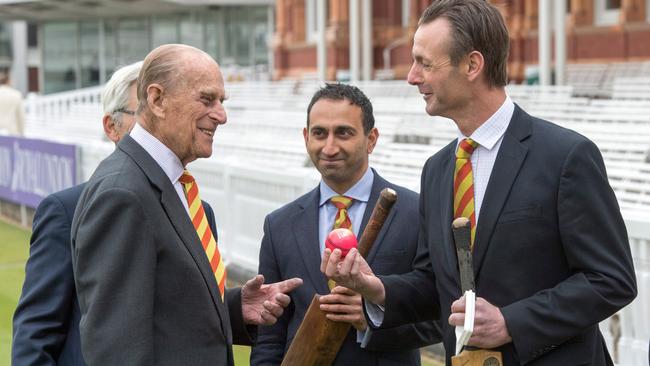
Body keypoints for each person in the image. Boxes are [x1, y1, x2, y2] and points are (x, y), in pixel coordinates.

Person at [321, 1, 637, 365]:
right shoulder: (437, 169)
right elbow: (434, 285)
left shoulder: (566, 156)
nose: (411, 76)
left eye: (425, 63)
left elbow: (611, 279)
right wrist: (376, 289)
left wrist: (511, 323)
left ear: (472, 65)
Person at [70, 44, 302, 366]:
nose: (221, 115)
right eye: (207, 100)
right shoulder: (123, 195)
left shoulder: (168, 182)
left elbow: (168, 309)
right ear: (157, 100)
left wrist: (234, 308)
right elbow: (117, 350)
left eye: (222, 102)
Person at [250, 83, 440, 365]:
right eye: (319, 133)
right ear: (306, 138)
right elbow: (269, 336)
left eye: (343, 133)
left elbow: (438, 317)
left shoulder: (416, 212)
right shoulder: (279, 225)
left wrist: (371, 320)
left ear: (371, 139)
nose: (329, 146)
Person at [11, 61, 157, 366]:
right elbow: (35, 336)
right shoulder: (66, 211)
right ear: (111, 127)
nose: (156, 126)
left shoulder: (198, 212)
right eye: (143, 115)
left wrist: (233, 310)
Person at [0, 69, 25, 136]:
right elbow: (20, 116)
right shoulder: (16, 94)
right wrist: (22, 133)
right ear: (8, 81)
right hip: (11, 132)